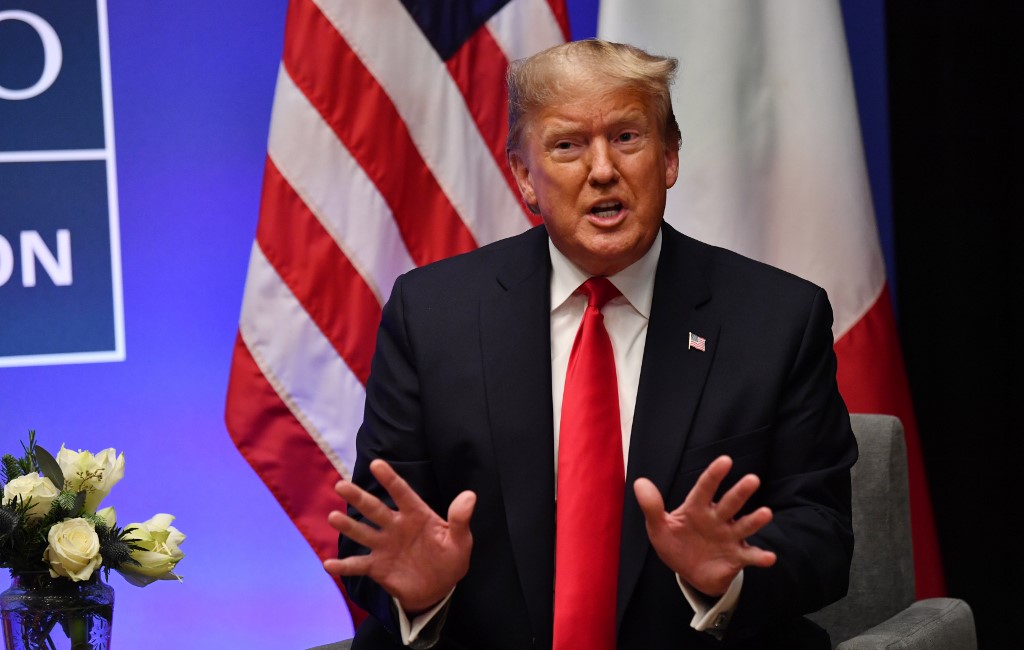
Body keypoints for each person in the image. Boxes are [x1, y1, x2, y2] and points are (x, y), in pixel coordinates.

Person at [324, 40, 857, 649]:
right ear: (525, 176)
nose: (602, 169)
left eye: (628, 137)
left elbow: (824, 535)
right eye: (567, 145)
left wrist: (729, 577)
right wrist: (419, 592)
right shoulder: (433, 314)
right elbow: (380, 535)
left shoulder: (777, 317)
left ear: (670, 158)